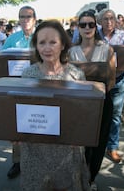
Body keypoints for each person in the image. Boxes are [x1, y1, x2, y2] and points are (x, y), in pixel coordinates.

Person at [20, 19, 90, 190]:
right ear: (36, 46)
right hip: (35, 150)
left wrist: (80, 136)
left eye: (53, 42)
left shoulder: (76, 75)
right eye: (42, 42)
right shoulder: (28, 75)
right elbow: (21, 111)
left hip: (67, 149)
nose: (47, 48)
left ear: (63, 45)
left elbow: (83, 113)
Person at [68, 10, 116, 189]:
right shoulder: (70, 52)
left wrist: (98, 94)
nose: (87, 28)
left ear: (96, 27)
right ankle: (77, 176)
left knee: (98, 142)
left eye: (91, 24)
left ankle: (91, 178)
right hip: (78, 103)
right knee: (79, 143)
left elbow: (111, 79)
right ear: (78, 28)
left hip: (102, 101)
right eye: (83, 25)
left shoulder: (107, 49)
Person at [97, 9, 124, 163]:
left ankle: (112, 147)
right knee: (98, 115)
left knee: (115, 116)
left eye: (111, 18)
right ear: (100, 21)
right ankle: (97, 145)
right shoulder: (94, 34)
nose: (109, 22)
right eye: (105, 19)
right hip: (97, 81)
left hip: (118, 80)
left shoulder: (122, 36)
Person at [2, 6, 37, 179]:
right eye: (22, 16)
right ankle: (18, 162)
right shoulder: (11, 40)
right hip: (17, 88)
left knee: (38, 123)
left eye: (28, 16)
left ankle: (38, 162)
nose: (25, 19)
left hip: (39, 88)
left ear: (34, 19)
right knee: (18, 126)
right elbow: (1, 62)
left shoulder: (42, 37)